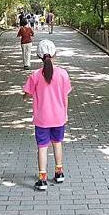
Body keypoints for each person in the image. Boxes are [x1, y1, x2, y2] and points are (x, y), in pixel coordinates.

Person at [23, 40, 72, 191]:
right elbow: (65, 96)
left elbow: (26, 94)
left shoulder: (35, 75)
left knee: (42, 147)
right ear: (55, 54)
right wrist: (65, 114)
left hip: (42, 119)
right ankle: (59, 173)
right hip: (59, 117)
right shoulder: (63, 74)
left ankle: (42, 179)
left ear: (38, 56)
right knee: (57, 143)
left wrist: (26, 96)